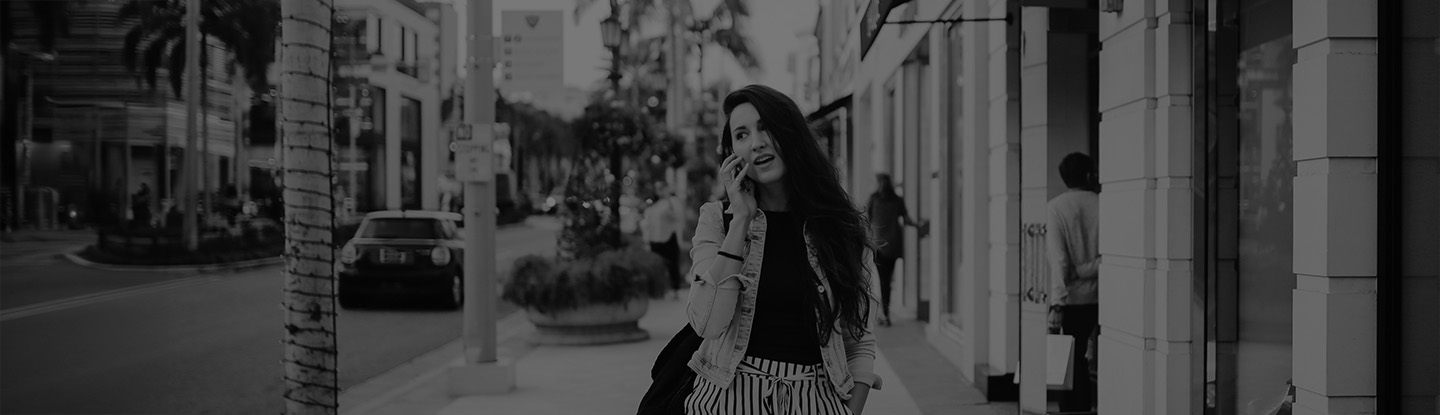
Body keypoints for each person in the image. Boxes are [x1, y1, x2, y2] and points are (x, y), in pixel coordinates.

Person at [684, 85, 881, 415]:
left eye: (766, 127)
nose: (756, 142)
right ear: (732, 153)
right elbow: (709, 324)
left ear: (792, 133)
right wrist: (741, 220)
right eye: (742, 135)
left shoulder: (841, 227)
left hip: (816, 400)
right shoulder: (717, 221)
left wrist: (851, 412)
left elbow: (858, 339)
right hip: (730, 399)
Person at [1045, 152, 1101, 412]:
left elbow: (1060, 262)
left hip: (1073, 300)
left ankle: (1075, 409)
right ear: (1089, 175)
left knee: (1072, 361)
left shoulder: (1056, 208)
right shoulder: (1104, 203)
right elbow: (1112, 256)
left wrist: (1057, 304)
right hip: (1105, 296)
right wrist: (1092, 267)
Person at [866, 173, 925, 327]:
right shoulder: (897, 200)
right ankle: (885, 313)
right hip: (892, 245)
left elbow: (866, 219)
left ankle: (884, 313)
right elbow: (907, 219)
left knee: (883, 280)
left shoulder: (874, 199)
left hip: (879, 246)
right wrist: (918, 226)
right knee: (887, 281)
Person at [643, 182, 684, 294]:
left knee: (672, 264)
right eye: (658, 189)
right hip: (654, 239)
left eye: (662, 188)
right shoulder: (654, 203)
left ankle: (674, 290)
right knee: (656, 265)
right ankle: (657, 290)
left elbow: (679, 217)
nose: (660, 191)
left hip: (668, 237)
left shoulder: (672, 201)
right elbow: (648, 222)